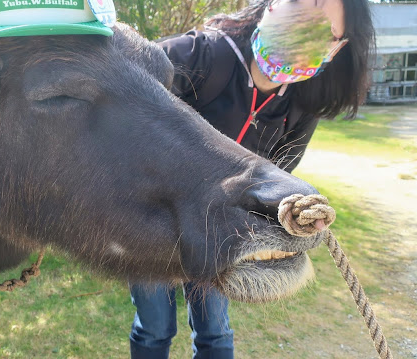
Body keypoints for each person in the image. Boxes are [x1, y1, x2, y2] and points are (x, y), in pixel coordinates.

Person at [129, 0, 375, 358]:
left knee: (215, 332)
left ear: (337, 48)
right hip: (151, 223)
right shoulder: (202, 55)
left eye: (318, 25)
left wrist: (293, 212)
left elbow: (276, 180)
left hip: (220, 233)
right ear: (272, 6)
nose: (300, 20)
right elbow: (120, 89)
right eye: (297, 5)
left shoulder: (301, 106)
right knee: (153, 329)